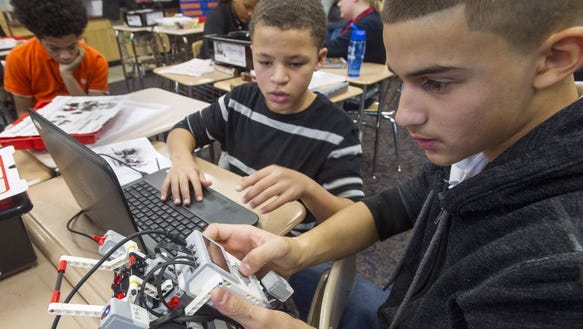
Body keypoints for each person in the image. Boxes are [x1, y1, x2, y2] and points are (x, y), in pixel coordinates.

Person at [200, 0, 583, 328]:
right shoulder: (481, 142)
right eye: (403, 81)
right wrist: (296, 251)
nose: (403, 114)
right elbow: (393, 208)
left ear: (556, 58)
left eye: (436, 83)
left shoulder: (557, 271)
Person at [161, 0, 364, 237]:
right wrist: (183, 162)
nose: (278, 77)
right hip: (224, 223)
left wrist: (308, 189)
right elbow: (181, 131)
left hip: (285, 246)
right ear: (251, 54)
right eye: (265, 62)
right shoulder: (239, 100)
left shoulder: (338, 130)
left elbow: (353, 217)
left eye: (295, 63)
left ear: (319, 59)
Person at [3, 0, 109, 117]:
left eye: (71, 46)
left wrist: (67, 75)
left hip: (84, 120)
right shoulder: (19, 58)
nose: (65, 55)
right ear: (39, 39)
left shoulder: (95, 60)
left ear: (79, 37)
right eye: (54, 48)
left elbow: (94, 113)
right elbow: (24, 113)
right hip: (44, 124)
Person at [325, 0, 385, 64]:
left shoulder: (368, 23)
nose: (338, 4)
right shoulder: (364, 20)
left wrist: (314, 46)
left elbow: (335, 49)